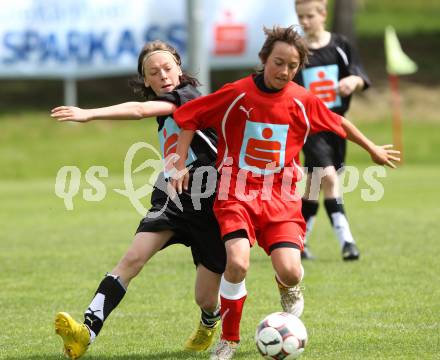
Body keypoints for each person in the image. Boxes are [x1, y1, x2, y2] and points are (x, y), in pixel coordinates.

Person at [170, 26, 399, 360]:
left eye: (292, 66)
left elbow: (338, 123)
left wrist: (372, 148)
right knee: (236, 263)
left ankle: (287, 285)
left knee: (291, 270)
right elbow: (188, 116)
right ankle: (229, 340)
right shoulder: (237, 93)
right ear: (264, 59)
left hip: (281, 196)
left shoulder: (302, 100)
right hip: (235, 192)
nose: (284, 71)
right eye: (278, 62)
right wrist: (178, 164)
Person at [50, 40, 226, 359]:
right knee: (132, 260)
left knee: (205, 297)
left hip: (209, 200)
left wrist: (88, 114)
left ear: (179, 69)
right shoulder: (164, 112)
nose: (163, 75)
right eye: (154, 72)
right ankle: (85, 332)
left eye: (168, 68)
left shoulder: (187, 97)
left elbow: (139, 109)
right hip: (173, 197)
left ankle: (209, 320)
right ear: (146, 80)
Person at [294, 0, 371, 260]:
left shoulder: (340, 45)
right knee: (328, 177)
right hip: (309, 128)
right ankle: (347, 241)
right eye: (300, 17)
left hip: (337, 125)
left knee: (314, 185)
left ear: (323, 14)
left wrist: (353, 81)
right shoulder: (297, 52)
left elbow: (360, 75)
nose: (304, 22)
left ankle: (299, 241)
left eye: (309, 16)